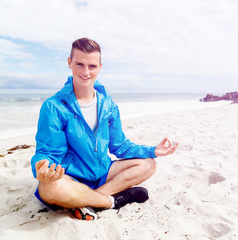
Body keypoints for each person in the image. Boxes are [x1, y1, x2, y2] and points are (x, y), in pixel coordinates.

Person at [31, 37, 178, 221]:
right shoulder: (53, 107)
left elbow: (120, 146)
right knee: (50, 188)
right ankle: (113, 201)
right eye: (79, 64)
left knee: (148, 163)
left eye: (92, 66)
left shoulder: (109, 106)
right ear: (69, 63)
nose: (86, 72)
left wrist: (152, 150)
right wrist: (42, 167)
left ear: (100, 67)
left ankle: (88, 202)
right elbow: (49, 152)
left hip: (102, 173)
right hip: (71, 178)